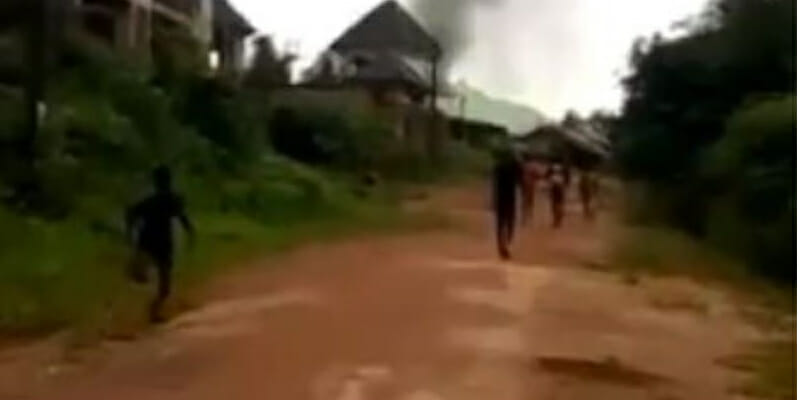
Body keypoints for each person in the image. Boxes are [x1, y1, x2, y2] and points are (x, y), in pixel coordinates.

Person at [126, 166, 194, 323]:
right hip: (162, 243)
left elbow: (131, 213)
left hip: (147, 241)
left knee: (143, 278)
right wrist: (190, 233)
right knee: (164, 285)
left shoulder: (150, 201)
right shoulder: (172, 199)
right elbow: (183, 218)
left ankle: (149, 311)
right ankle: (152, 311)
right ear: (169, 181)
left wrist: (129, 233)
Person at [492, 149, 522, 260]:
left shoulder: (498, 167)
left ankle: (501, 245)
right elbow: (520, 181)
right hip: (510, 198)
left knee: (500, 224)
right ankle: (507, 244)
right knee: (510, 223)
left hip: (500, 198)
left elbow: (494, 183)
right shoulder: (515, 168)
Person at [520, 155, 542, 225]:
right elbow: (539, 175)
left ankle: (524, 217)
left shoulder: (524, 165)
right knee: (530, 200)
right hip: (531, 184)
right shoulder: (534, 165)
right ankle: (529, 216)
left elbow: (519, 174)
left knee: (524, 200)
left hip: (524, 184)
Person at [546, 161, 568, 228]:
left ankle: (556, 220)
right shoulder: (562, 177)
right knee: (559, 205)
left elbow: (550, 186)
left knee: (554, 206)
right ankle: (558, 220)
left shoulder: (552, 177)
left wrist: (549, 193)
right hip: (560, 192)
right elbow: (565, 185)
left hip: (555, 192)